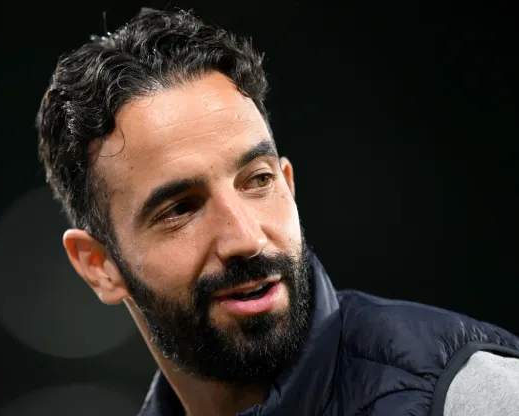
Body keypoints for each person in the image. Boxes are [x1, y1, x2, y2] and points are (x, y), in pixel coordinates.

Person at [35, 8, 519, 416]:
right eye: (180, 209)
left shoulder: (473, 397)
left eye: (257, 181)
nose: (245, 237)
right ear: (99, 267)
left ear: (287, 184)